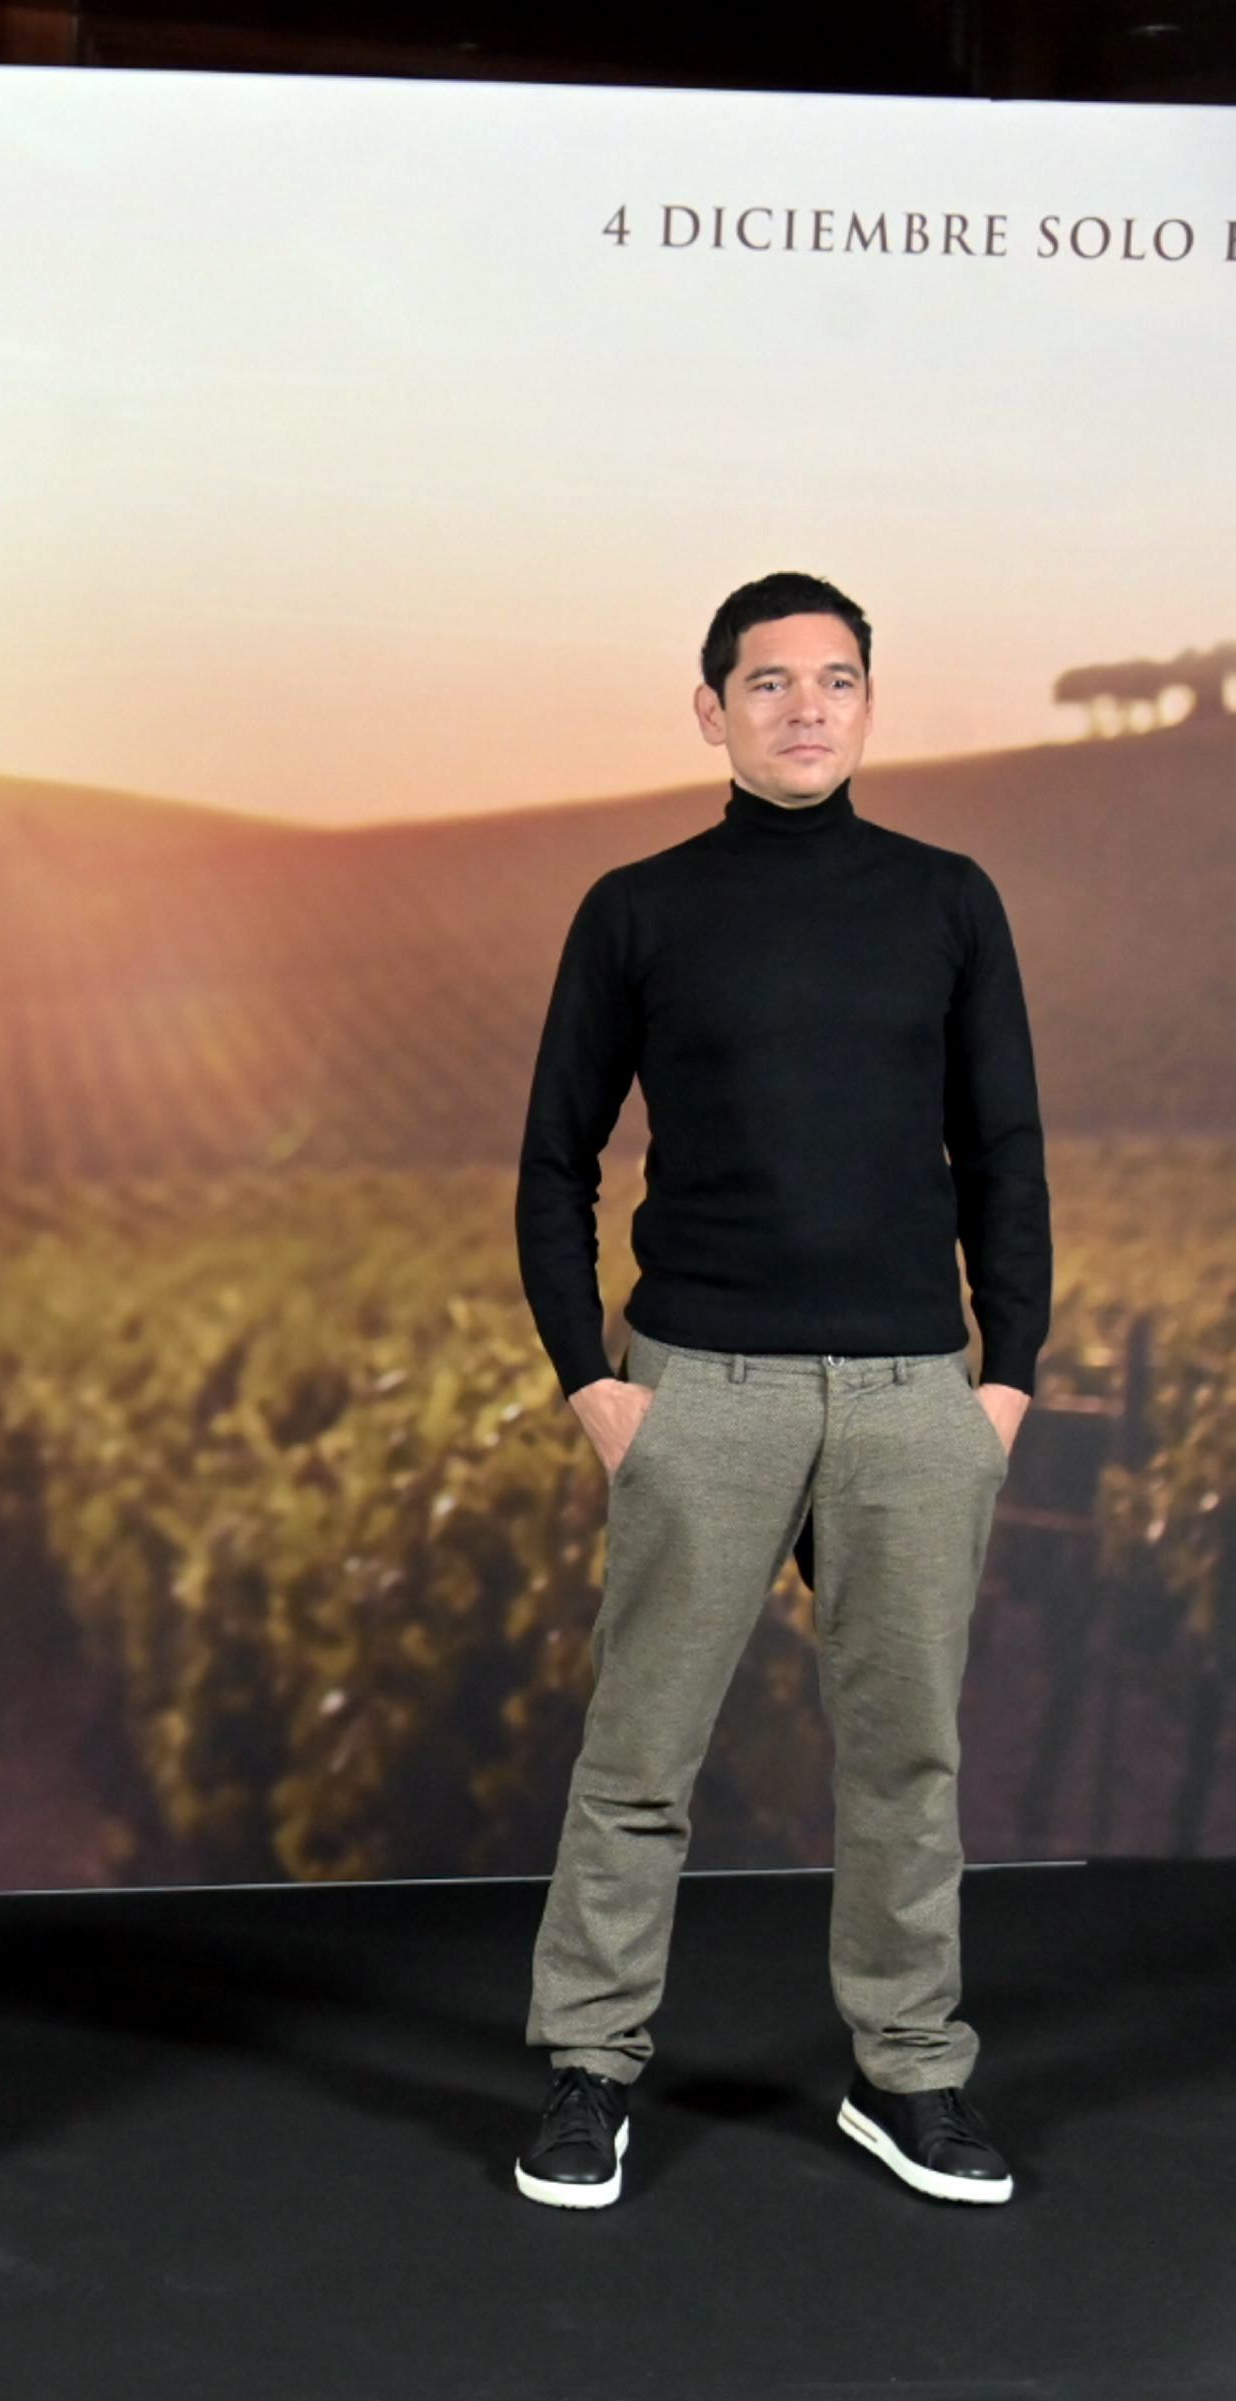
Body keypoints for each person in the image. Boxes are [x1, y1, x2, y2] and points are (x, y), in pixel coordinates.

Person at [509, 572, 1046, 2211]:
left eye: (833, 681)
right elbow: (550, 1165)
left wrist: (1003, 1379)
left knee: (906, 1759)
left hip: (910, 1397)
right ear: (709, 710)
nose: (802, 707)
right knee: (639, 1755)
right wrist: (594, 1385)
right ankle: (587, 2071)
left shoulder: (948, 899)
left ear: (868, 703)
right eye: (766, 683)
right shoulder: (636, 907)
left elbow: (1003, 1150)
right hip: (702, 1385)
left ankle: (910, 2078)